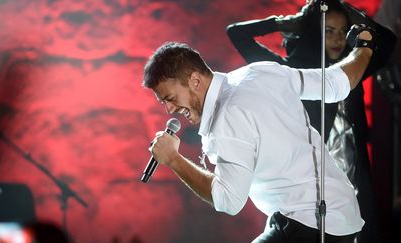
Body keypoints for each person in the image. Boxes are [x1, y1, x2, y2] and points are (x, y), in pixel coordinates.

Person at [142, 24, 374, 242]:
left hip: (309, 222)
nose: (170, 109)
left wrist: (173, 159)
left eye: (170, 98)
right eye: (164, 102)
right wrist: (364, 47)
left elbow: (228, 200)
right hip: (341, 213)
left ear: (194, 80)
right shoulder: (261, 72)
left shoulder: (227, 117)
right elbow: (336, 84)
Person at [225, 0, 396, 242]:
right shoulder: (293, 74)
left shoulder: (352, 72)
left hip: (352, 184)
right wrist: (286, 23)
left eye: (342, 32)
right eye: (328, 31)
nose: (337, 40)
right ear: (315, 31)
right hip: (306, 192)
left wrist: (342, 7)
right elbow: (237, 34)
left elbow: (387, 40)